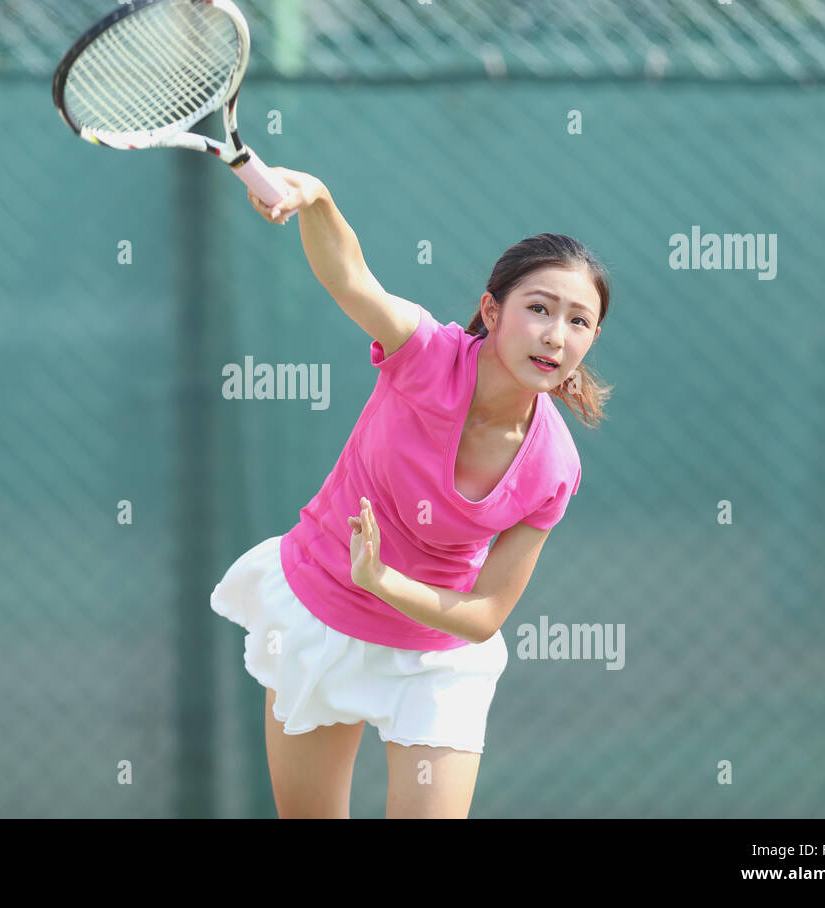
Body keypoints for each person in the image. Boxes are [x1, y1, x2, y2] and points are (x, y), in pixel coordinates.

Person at [210, 168, 613, 818]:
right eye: (538, 308)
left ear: (592, 339)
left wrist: (382, 580)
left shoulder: (553, 466)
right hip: (320, 608)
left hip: (435, 658)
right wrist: (318, 201)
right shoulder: (425, 354)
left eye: (578, 321)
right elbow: (349, 277)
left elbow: (483, 615)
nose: (555, 335)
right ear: (492, 311)